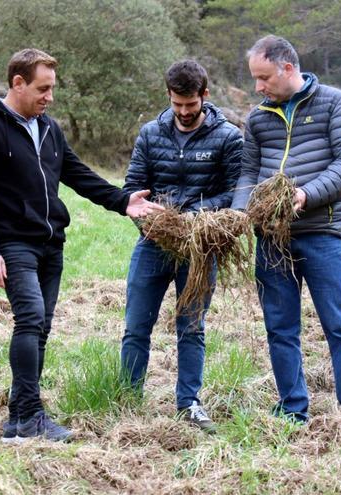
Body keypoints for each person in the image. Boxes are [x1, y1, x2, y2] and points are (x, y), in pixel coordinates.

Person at [0, 48, 153, 443]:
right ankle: (30, 416)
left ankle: (19, 422)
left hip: (51, 244)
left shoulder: (48, 127)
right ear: (18, 83)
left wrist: (122, 201)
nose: (50, 97)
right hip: (12, 243)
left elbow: (77, 174)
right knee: (30, 319)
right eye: (42, 89)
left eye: (52, 88)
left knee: (40, 329)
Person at [231, 35, 341, 423]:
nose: (258, 87)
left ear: (288, 68)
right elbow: (247, 173)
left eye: (264, 78)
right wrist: (238, 214)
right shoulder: (259, 118)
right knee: (280, 327)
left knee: (339, 324)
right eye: (255, 79)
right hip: (271, 238)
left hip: (321, 231)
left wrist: (306, 195)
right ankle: (293, 409)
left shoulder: (336, 103)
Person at [121, 60, 242, 433]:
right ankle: (127, 401)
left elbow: (236, 192)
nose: (184, 112)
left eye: (191, 104)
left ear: (205, 95)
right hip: (153, 244)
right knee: (136, 326)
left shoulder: (228, 137)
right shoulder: (150, 133)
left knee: (191, 327)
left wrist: (195, 216)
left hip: (200, 249)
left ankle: (189, 404)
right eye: (177, 104)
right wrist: (150, 221)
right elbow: (133, 189)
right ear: (168, 96)